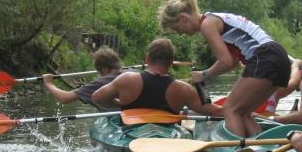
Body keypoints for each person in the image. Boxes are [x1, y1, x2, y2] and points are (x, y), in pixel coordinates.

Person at [158, 0, 290, 137]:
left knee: (229, 110)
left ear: (183, 18)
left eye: (177, 29)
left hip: (264, 56)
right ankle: (262, 147)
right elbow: (232, 62)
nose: (181, 34)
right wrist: (205, 74)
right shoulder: (214, 19)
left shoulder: (207, 24)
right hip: (280, 57)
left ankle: (236, 148)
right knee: (243, 113)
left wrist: (203, 75)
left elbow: (225, 62)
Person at [90, 37, 222, 117]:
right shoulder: (183, 89)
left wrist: (120, 103)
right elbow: (216, 112)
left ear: (147, 58)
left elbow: (96, 98)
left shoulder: (126, 79)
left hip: (132, 137)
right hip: (166, 141)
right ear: (171, 62)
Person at [43, 46, 123, 110]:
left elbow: (65, 98)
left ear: (104, 69)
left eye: (99, 72)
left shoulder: (101, 82)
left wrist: (49, 83)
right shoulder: (128, 72)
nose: (100, 75)